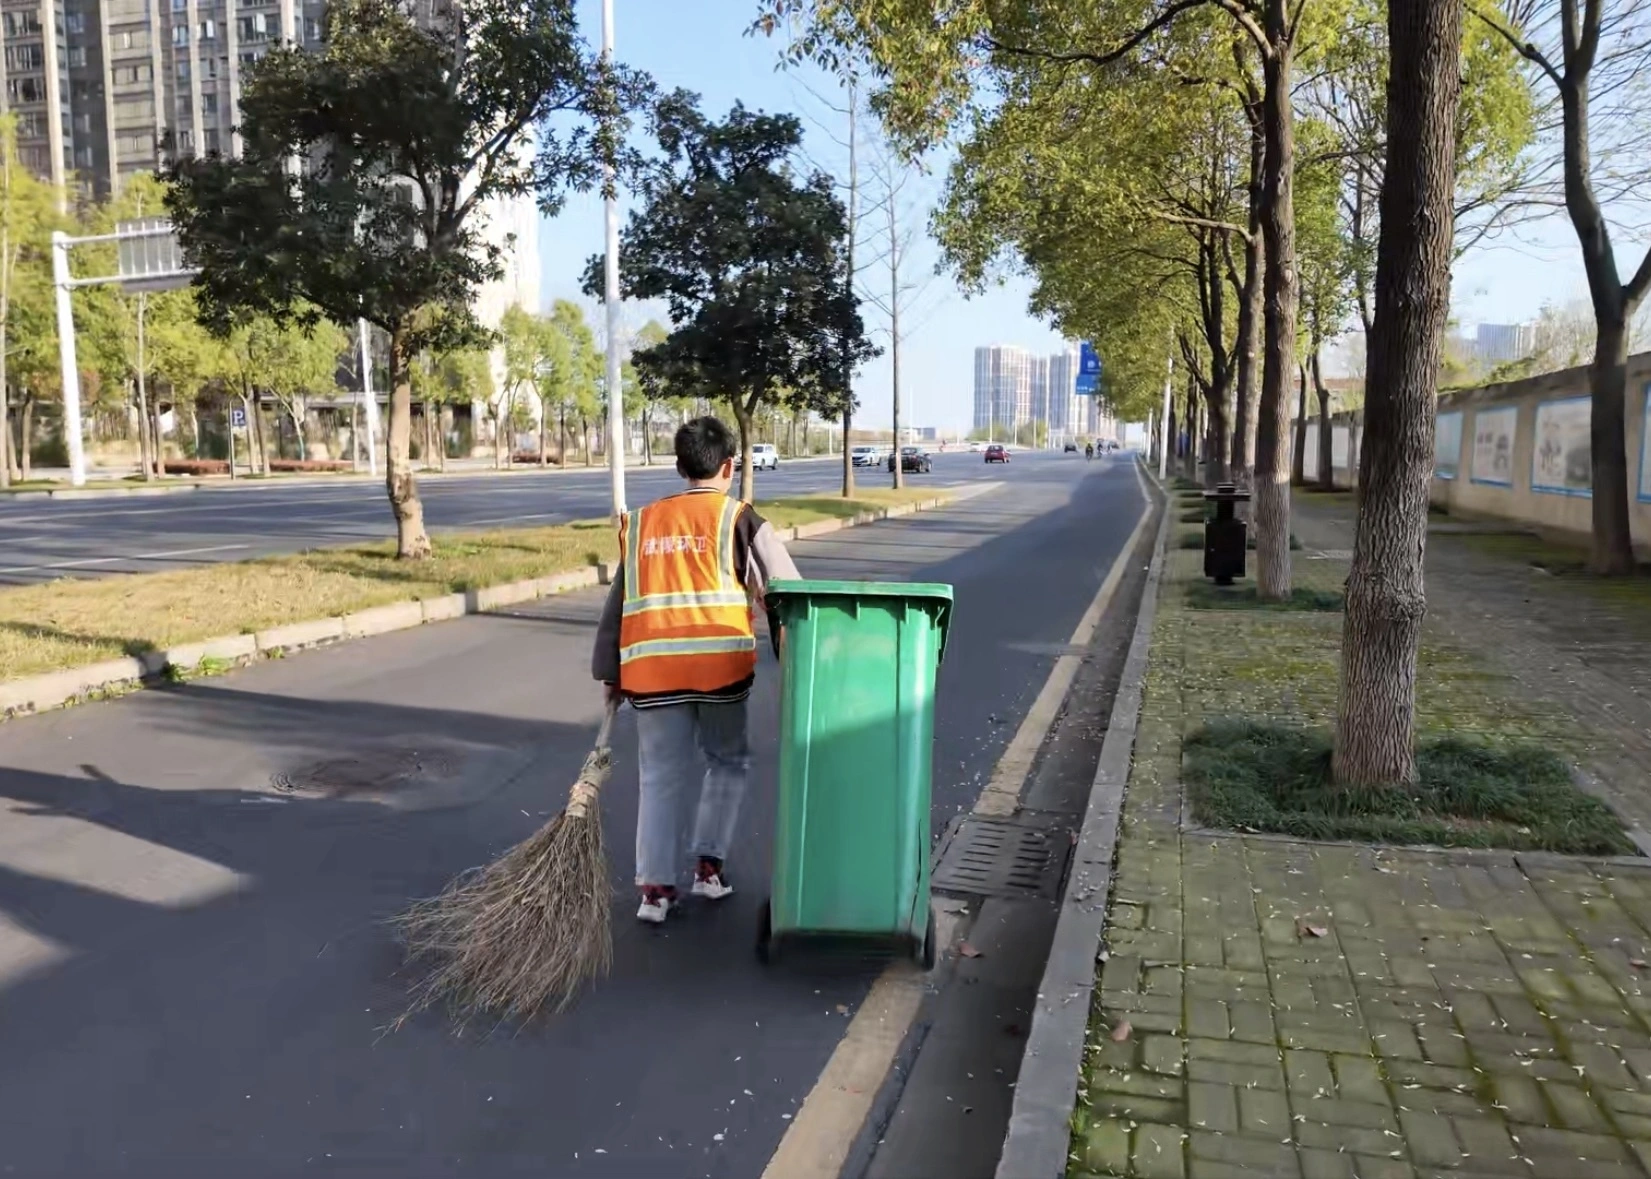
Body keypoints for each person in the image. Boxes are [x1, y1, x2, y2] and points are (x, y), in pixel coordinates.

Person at [592, 416, 801, 924]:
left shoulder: (642, 523)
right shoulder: (741, 519)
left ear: (679, 466)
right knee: (726, 762)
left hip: (652, 674)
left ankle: (655, 891)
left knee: (659, 776)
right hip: (720, 672)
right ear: (729, 466)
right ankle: (708, 870)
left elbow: (619, 601)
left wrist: (610, 671)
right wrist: (794, 654)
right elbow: (790, 591)